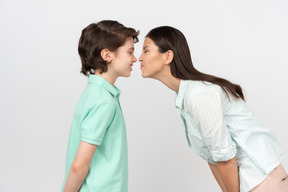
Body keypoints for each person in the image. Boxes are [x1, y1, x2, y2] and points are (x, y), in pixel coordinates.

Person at [138, 26, 288, 192]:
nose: (139, 58)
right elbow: (213, 157)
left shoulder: (198, 95)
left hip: (261, 179)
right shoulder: (185, 96)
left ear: (168, 56)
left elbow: (226, 157)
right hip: (252, 182)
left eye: (145, 51)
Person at [62, 20, 139, 192]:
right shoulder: (104, 102)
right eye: (130, 52)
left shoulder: (94, 93)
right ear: (107, 55)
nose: (134, 58)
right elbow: (79, 166)